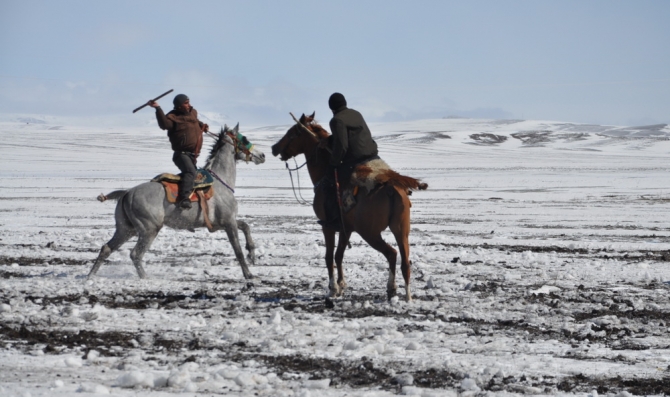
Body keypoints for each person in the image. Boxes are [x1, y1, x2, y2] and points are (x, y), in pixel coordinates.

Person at [318, 92, 379, 230]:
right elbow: (350, 135)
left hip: (356, 161)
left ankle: (334, 220)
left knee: (328, 183)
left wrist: (333, 163)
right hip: (373, 156)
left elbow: (342, 146)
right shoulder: (356, 114)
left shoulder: (336, 120)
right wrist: (330, 139)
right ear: (345, 103)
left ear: (331, 108)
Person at [149, 94, 209, 209]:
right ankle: (183, 199)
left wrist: (202, 126)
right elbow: (164, 124)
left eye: (189, 102)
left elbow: (195, 121)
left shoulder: (193, 112)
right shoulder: (173, 117)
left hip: (193, 155)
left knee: (192, 175)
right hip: (181, 154)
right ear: (179, 106)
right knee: (190, 172)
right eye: (186, 103)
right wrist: (158, 108)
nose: (189, 105)